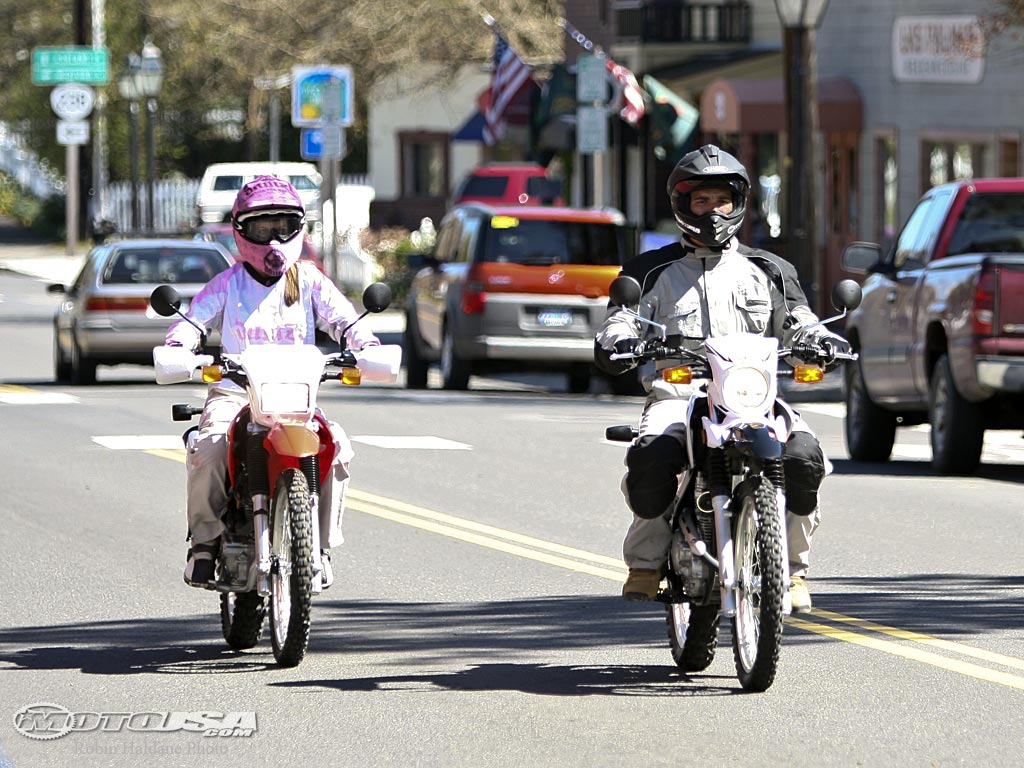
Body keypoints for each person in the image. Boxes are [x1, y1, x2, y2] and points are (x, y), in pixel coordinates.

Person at [594, 144, 851, 613]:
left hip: (751, 393)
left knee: (803, 456)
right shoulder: (648, 270)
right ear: (682, 205)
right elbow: (622, 318)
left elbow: (799, 319)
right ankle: (646, 564)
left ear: (738, 204)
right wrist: (620, 341)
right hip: (679, 394)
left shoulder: (771, 269)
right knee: (655, 456)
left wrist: (820, 340)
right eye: (701, 202)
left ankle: (790, 572)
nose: (713, 212)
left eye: (722, 201)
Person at [164, 175, 380, 589]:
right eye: (263, 228)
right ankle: (205, 543)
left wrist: (366, 346)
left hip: (295, 395)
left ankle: (319, 547)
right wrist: (179, 347)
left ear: (300, 227)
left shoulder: (311, 280)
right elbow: (192, 322)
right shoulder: (227, 283)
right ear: (241, 230)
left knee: (337, 445)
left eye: (283, 227)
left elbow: (345, 321)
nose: (274, 240)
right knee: (208, 450)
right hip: (235, 392)